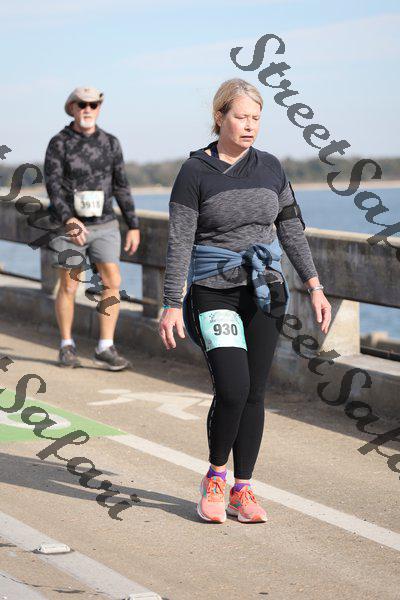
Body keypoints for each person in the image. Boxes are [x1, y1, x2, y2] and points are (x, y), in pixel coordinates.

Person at [159, 78, 331, 524]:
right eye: (241, 117)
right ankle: (215, 476)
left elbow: (290, 229)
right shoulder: (195, 172)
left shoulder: (271, 167)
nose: (250, 125)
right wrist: (172, 302)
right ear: (220, 117)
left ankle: (243, 489)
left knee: (254, 392)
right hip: (213, 290)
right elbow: (180, 241)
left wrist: (314, 285)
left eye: (256, 118)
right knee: (233, 389)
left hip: (265, 291)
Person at [44, 86, 140, 370]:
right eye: (82, 104)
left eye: (93, 105)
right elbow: (53, 186)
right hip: (70, 226)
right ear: (72, 108)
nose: (87, 109)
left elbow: (121, 185)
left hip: (105, 223)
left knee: (112, 282)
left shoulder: (110, 142)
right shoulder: (59, 143)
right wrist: (68, 219)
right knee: (69, 285)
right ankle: (66, 345)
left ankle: (105, 347)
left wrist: (133, 224)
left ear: (99, 108)